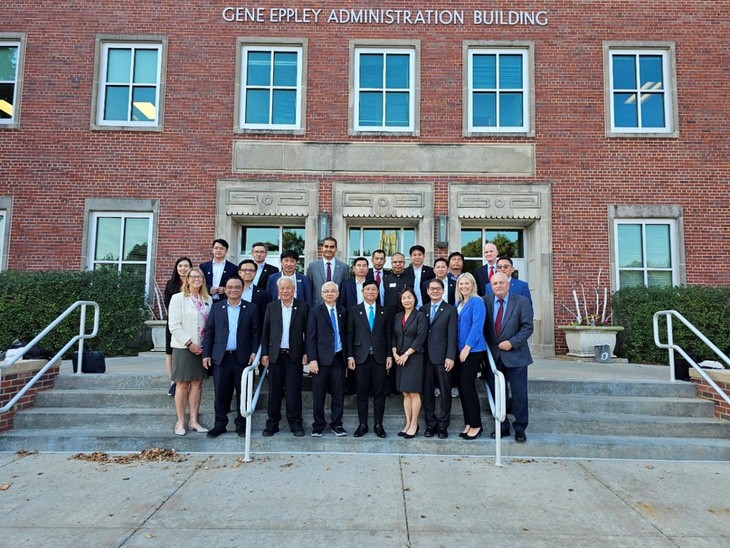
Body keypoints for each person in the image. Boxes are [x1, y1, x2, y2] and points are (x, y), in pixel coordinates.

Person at [202, 276, 260, 438]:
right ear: (225, 290)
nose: (233, 290)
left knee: (244, 392)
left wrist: (255, 352)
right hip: (221, 358)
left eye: (237, 287)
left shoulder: (251, 308)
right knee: (221, 393)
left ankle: (242, 425)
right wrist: (206, 354)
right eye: (230, 287)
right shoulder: (217, 307)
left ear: (242, 289)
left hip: (243, 358)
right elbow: (210, 332)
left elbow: (256, 332)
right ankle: (220, 424)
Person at [483, 271, 534, 443]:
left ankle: (520, 428)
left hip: (516, 356)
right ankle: (502, 427)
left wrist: (512, 342)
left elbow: (527, 327)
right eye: (494, 284)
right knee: (499, 394)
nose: (498, 286)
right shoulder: (485, 301)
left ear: (508, 284)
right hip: (494, 357)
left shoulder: (522, 302)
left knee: (519, 394)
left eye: (501, 283)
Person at [261, 277, 308, 437]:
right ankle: (272, 424)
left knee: (294, 391)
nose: (285, 291)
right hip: (275, 355)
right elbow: (265, 332)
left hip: (294, 355)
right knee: (274, 391)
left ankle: (295, 423)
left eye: (288, 288)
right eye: (282, 288)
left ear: (294, 289)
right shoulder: (271, 307)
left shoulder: (302, 307)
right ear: (278, 290)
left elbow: (308, 332)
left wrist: (306, 352)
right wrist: (265, 353)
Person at [167, 267, 212, 436]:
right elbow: (174, 325)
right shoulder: (178, 298)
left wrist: (203, 347)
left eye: (199, 276)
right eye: (192, 277)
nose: (196, 279)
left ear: (203, 280)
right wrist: (190, 343)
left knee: (197, 384)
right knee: (182, 384)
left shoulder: (207, 299)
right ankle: (180, 421)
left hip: (202, 348)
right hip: (183, 347)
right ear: (187, 279)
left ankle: (194, 421)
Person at [346, 280, 392, 438]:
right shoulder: (354, 310)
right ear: (363, 292)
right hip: (360, 358)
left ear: (378, 293)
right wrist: (350, 355)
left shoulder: (384, 311)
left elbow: (388, 335)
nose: (371, 292)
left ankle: (379, 425)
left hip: (379, 358)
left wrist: (389, 355)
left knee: (380, 392)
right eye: (368, 289)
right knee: (362, 392)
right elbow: (349, 335)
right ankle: (362, 424)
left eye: (374, 289)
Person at [306, 281, 348, 437]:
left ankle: (337, 424)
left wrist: (348, 356)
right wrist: (312, 359)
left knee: (338, 394)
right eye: (326, 291)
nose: (330, 294)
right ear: (322, 294)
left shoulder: (343, 311)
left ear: (337, 294)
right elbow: (310, 337)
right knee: (319, 394)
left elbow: (346, 335)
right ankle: (318, 425)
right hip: (320, 361)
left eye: (333, 291)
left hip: (338, 358)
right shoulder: (315, 312)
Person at [421, 278, 458, 439]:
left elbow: (452, 335)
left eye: (438, 289)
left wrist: (450, 356)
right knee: (427, 392)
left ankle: (443, 424)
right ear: (428, 291)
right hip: (425, 358)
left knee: (445, 391)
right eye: (432, 289)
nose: (435, 291)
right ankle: (430, 423)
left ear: (443, 291)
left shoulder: (450, 310)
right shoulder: (423, 309)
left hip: (443, 357)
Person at [391, 287, 428, 438]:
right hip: (399, 358)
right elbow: (393, 335)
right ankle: (407, 423)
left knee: (414, 392)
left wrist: (406, 354)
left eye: (409, 297)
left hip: (414, 358)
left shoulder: (420, 316)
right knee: (405, 393)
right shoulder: (397, 316)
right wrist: (394, 353)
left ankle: (414, 424)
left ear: (414, 299)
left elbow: (421, 337)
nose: (406, 300)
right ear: (401, 301)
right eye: (404, 298)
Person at [455, 272, 487, 440]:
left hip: (472, 351)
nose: (464, 287)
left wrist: (467, 347)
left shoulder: (477, 302)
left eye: (467, 284)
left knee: (468, 386)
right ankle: (468, 422)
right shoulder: (459, 303)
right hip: (460, 352)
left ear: (473, 285)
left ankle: (476, 425)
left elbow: (477, 326)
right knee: (462, 387)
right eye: (461, 284)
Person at [163, 256, 192, 397]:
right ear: (176, 268)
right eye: (180, 266)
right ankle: (173, 381)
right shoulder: (171, 284)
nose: (183, 268)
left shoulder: (194, 283)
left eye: (186, 266)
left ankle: (185, 377)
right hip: (174, 322)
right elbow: (167, 303)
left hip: (190, 322)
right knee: (170, 351)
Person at [306, 236, 350, 305]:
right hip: (317, 308)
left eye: (332, 247)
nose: (329, 249)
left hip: (337, 308)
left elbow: (345, 291)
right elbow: (308, 289)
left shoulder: (344, 267)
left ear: (336, 249)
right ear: (322, 248)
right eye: (326, 246)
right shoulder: (313, 266)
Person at [238, 259, 270, 332]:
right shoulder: (230, 291)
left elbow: (263, 317)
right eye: (244, 270)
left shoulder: (262, 294)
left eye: (251, 270)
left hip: (253, 332)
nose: (248, 272)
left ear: (255, 273)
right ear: (239, 272)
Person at [403, 244, 434, 309]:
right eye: (414, 255)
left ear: (424, 256)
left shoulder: (431, 271)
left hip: (426, 305)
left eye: (419, 255)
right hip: (409, 306)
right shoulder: (405, 272)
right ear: (410, 257)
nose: (417, 257)